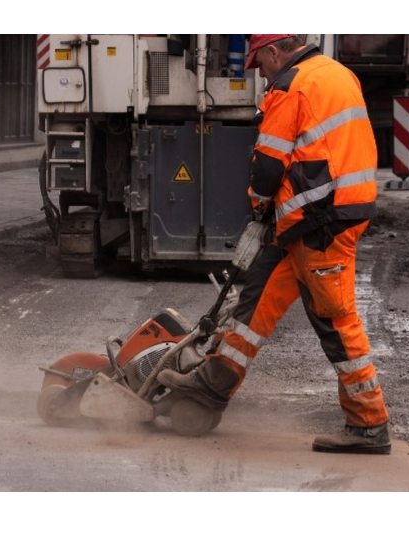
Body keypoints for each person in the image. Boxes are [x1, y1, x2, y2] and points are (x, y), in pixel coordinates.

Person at [157, 34, 391, 455]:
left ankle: (369, 425)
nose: (260, 72)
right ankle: (214, 384)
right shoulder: (338, 74)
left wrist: (259, 209)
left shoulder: (289, 86)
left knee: (335, 321)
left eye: (259, 63)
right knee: (255, 301)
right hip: (318, 215)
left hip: (321, 221)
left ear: (273, 51)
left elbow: (268, 166)